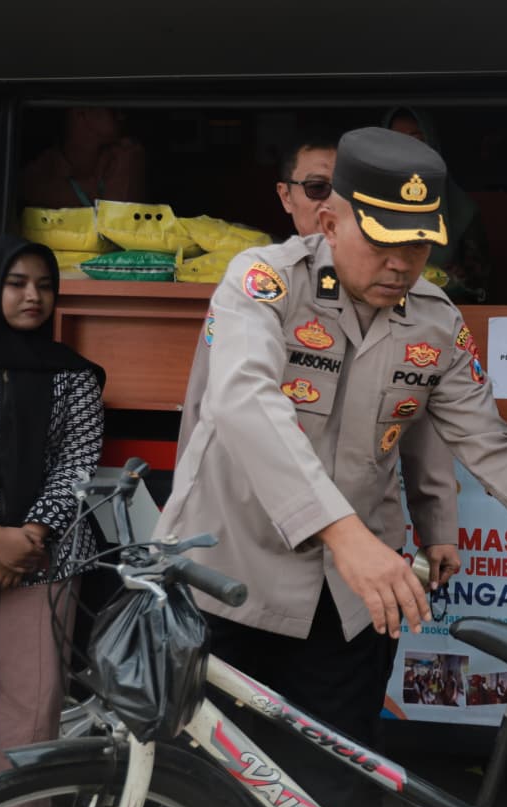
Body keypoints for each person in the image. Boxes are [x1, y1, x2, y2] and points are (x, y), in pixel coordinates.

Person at [156, 126, 507, 807]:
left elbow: (490, 444)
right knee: (192, 796)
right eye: (382, 240)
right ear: (330, 219)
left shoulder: (435, 319)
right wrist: (347, 537)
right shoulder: (262, 282)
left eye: (420, 243)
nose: (402, 263)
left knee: (334, 805)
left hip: (342, 611)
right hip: (225, 580)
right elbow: (244, 400)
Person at [181, 128, 463, 585]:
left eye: (345, 190)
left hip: (361, 564)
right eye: (317, 189)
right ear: (286, 196)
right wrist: (190, 498)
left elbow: (420, 411)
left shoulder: (403, 291)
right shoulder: (261, 281)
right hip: (249, 550)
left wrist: (438, 524)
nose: (331, 201)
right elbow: (215, 411)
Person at [0, 235, 105, 807]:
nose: (33, 296)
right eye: (17, 282)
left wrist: (29, 534)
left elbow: (78, 460)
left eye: (45, 285)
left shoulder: (72, 374)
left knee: (36, 688)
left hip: (45, 554)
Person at [384, 107, 490, 302]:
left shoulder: (461, 208)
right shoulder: (366, 202)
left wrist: (447, 280)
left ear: (431, 144)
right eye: (395, 140)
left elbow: (478, 283)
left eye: (416, 139)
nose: (406, 149)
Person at [20, 107, 147, 209]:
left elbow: (121, 224)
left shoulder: (124, 156)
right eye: (112, 108)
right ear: (81, 113)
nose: (121, 116)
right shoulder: (40, 174)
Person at [274, 130, 338, 240]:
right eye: (318, 187)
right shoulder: (258, 257)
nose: (335, 202)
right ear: (286, 196)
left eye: (345, 190)